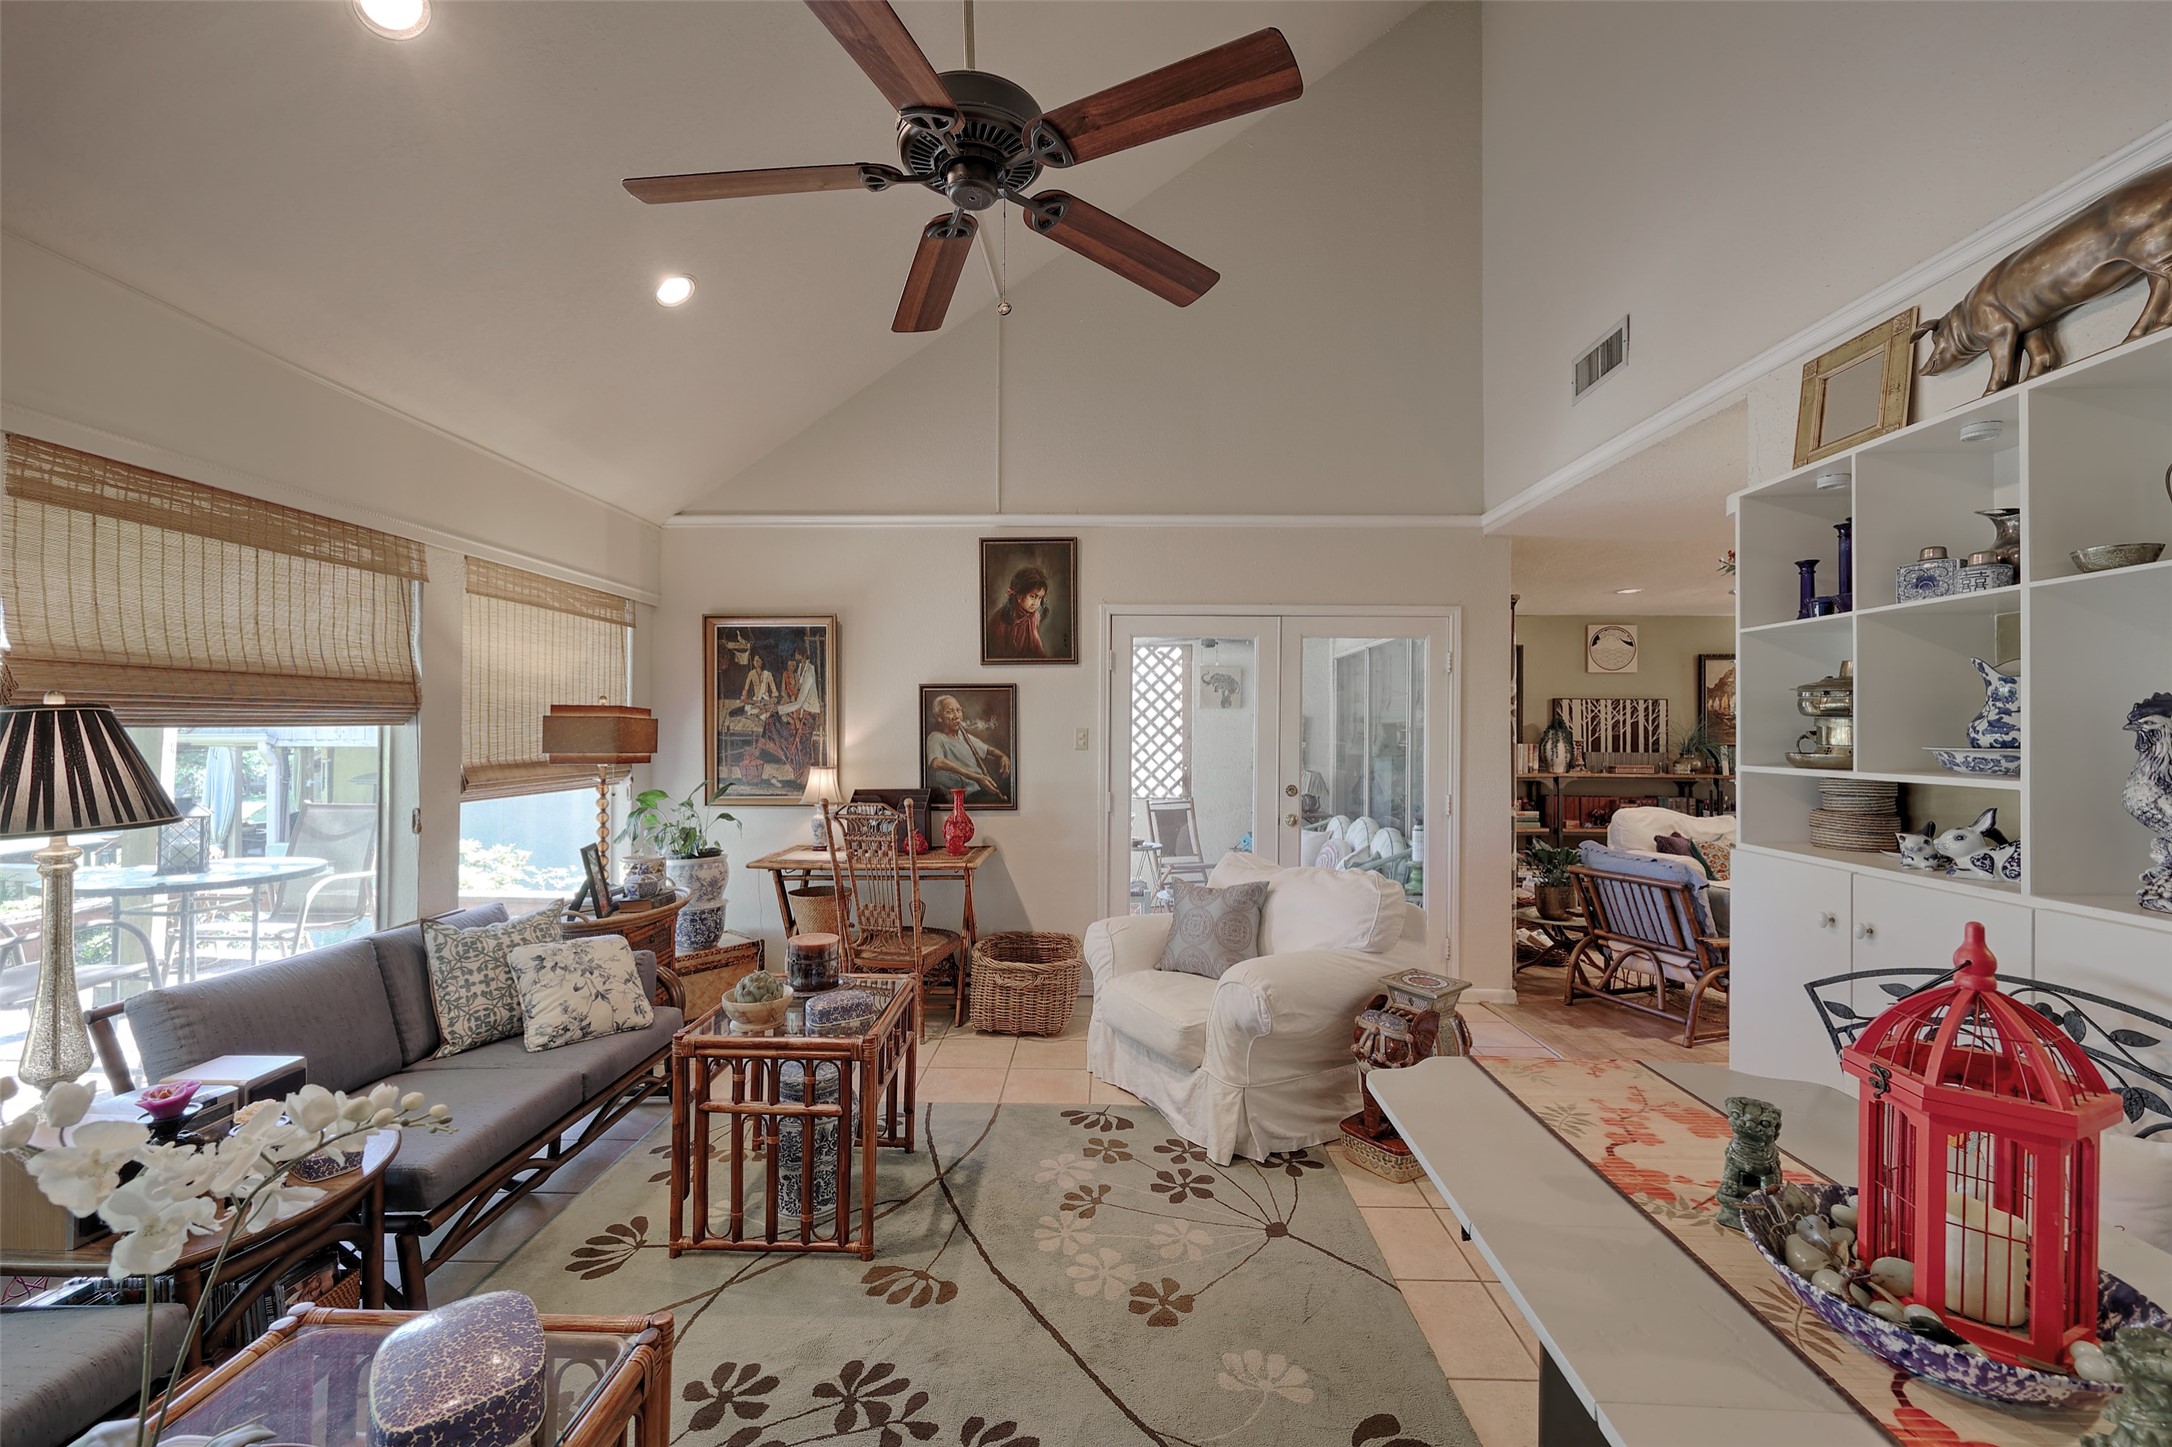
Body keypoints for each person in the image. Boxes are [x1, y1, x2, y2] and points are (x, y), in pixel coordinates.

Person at [925, 693, 1010, 805]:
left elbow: (988, 750)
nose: (956, 716)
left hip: (981, 789)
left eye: (958, 710)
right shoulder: (935, 737)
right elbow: (937, 762)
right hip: (965, 795)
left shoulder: (964, 736)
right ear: (939, 718)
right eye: (949, 712)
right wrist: (977, 778)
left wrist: (1003, 756)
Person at [986, 564, 1051, 660]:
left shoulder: (1034, 616)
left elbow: (1037, 648)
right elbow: (996, 654)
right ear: (1019, 595)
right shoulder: (1001, 617)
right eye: (1032, 596)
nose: (1036, 603)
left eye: (1040, 598)